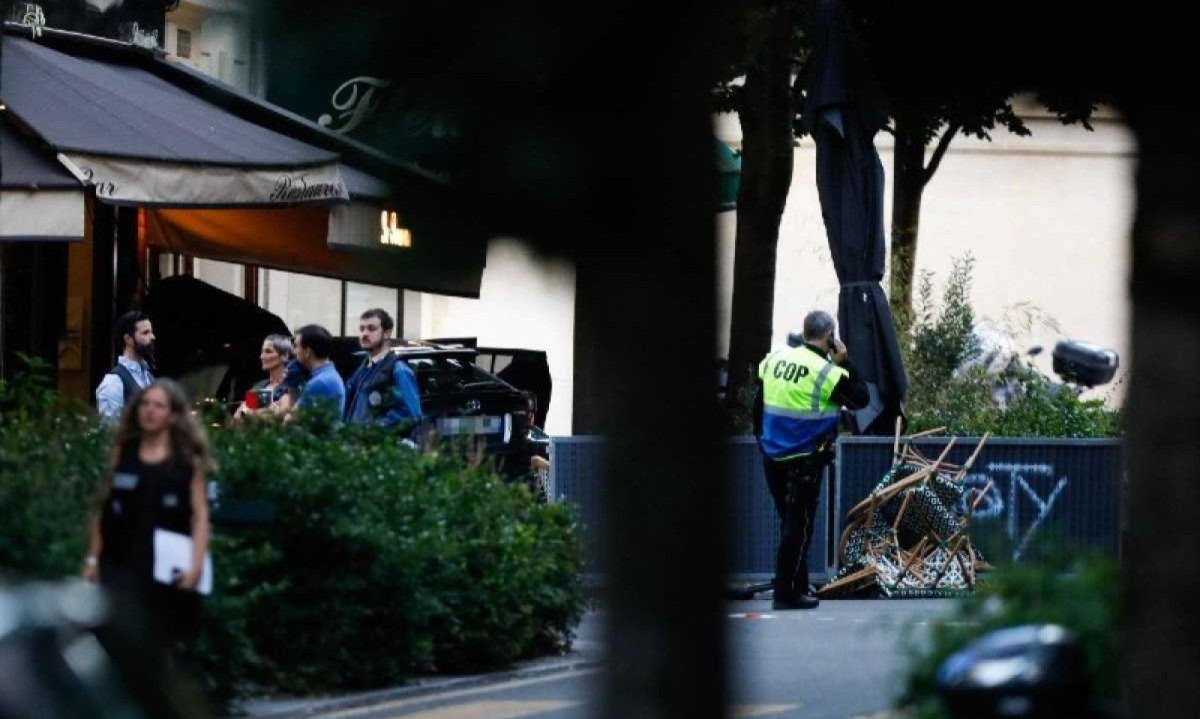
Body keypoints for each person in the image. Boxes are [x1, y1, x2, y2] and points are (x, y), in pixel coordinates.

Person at [82, 378, 212, 648]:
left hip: (164, 567)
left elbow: (199, 516)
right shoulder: (124, 452)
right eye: (145, 404)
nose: (150, 411)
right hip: (119, 561)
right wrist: (93, 559)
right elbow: (102, 504)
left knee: (157, 643)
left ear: (173, 414)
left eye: (159, 406)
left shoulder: (187, 461)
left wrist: (195, 565)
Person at [754, 310, 868, 610]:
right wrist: (845, 361)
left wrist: (762, 442)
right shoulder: (826, 373)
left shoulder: (776, 359)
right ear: (830, 335)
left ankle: (797, 584)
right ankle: (785, 591)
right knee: (798, 525)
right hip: (803, 459)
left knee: (790, 523)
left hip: (772, 455)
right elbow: (861, 399)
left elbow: (758, 406)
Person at [343, 309, 422, 431]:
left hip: (379, 446)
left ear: (387, 333)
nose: (364, 334)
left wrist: (374, 430)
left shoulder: (398, 368)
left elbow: (412, 414)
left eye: (371, 329)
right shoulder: (363, 368)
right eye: (362, 329)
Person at [95, 310, 156, 422]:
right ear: (128, 339)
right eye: (145, 333)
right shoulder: (114, 381)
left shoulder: (149, 378)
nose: (152, 337)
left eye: (151, 332)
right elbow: (110, 431)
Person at [286, 324, 346, 419]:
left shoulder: (319, 382)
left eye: (296, 346)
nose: (294, 351)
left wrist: (292, 389)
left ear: (307, 352)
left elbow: (289, 421)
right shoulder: (328, 375)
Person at [233, 333, 294, 419]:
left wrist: (249, 409)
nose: (262, 356)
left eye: (268, 351)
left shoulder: (291, 385)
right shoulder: (260, 385)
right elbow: (237, 417)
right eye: (262, 352)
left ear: (285, 356)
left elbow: (279, 416)